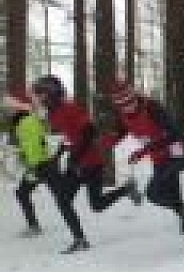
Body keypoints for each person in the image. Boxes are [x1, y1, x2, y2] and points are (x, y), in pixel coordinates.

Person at [104, 80, 184, 249]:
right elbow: (122, 131)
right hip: (159, 157)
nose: (128, 107)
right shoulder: (123, 115)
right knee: (173, 197)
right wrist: (109, 140)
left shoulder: (152, 107)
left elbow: (173, 134)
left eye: (130, 101)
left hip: (175, 153)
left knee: (153, 193)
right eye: (123, 105)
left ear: (134, 96)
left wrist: (142, 152)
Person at [32, 75, 141, 215]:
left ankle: (126, 189)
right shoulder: (52, 115)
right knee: (65, 199)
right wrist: (58, 156)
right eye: (39, 95)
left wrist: (76, 157)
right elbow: (70, 137)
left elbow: (89, 131)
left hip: (92, 162)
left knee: (96, 205)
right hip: (76, 163)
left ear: (52, 93)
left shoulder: (70, 108)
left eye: (42, 94)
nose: (40, 99)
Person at [4, 88, 89, 254]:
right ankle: (34, 225)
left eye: (10, 107)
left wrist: (32, 168)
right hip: (41, 165)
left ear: (19, 108)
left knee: (62, 202)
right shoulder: (23, 122)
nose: (8, 111)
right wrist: (21, 155)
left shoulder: (26, 122)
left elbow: (35, 148)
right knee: (22, 192)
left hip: (44, 167)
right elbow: (30, 146)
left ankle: (80, 239)